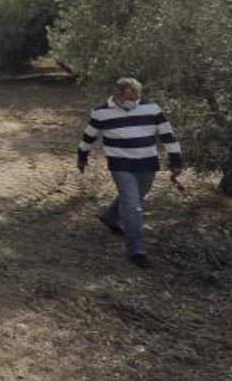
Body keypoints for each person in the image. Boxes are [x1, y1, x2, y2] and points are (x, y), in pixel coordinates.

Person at [77, 77, 183, 268]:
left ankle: (109, 217)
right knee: (133, 206)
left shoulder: (152, 109)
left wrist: (176, 160)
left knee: (136, 196)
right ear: (117, 96)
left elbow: (168, 135)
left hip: (148, 164)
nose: (135, 101)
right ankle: (137, 251)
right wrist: (82, 156)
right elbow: (88, 136)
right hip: (121, 165)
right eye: (129, 97)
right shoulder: (101, 112)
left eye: (137, 96)